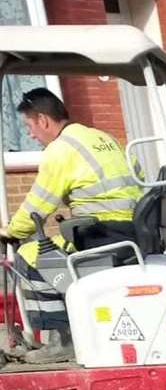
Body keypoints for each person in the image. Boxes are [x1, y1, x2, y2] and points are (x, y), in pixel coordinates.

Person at [0, 89, 142, 349]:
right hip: (134, 234)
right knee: (55, 249)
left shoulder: (61, 149)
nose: (30, 134)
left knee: (31, 254)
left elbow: (38, 206)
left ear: (43, 120)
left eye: (29, 126)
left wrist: (11, 232)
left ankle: (60, 339)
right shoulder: (104, 138)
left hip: (102, 237)